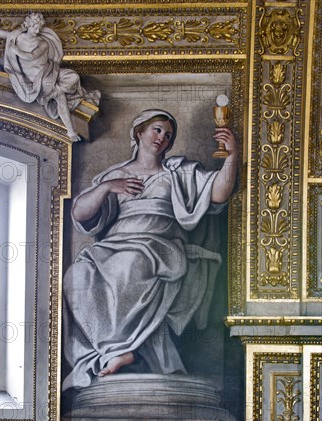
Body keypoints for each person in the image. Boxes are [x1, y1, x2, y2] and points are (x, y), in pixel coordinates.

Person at [62, 109, 237, 390]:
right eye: (156, 130)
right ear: (139, 132)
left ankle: (124, 349)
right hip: (114, 246)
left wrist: (231, 156)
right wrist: (108, 187)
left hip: (159, 247)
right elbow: (81, 213)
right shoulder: (116, 175)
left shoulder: (178, 173)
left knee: (131, 263)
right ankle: (114, 350)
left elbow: (218, 192)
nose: (162, 138)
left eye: (168, 135)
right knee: (76, 277)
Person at [0, 13, 100, 141]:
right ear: (28, 25)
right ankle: (70, 130)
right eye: (35, 27)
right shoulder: (16, 37)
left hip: (48, 71)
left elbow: (31, 56)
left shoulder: (42, 43)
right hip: (37, 80)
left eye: (39, 28)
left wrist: (16, 50)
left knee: (74, 76)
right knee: (60, 97)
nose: (37, 30)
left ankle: (53, 93)